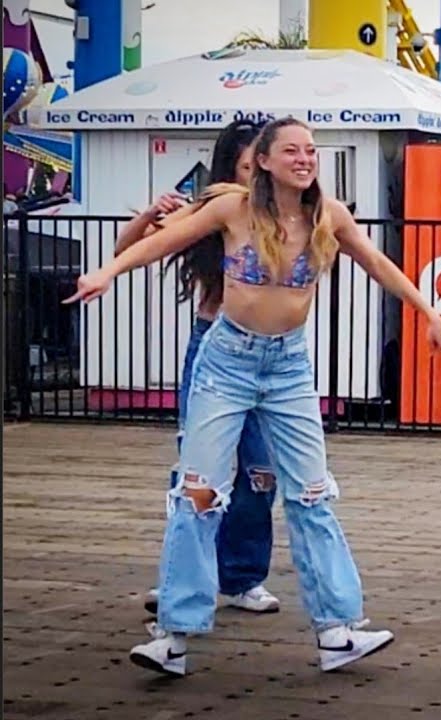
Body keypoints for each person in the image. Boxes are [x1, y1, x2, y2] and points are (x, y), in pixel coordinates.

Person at [66, 117, 441, 676]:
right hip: (227, 362)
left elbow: (378, 263)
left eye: (311, 150)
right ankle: (174, 633)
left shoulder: (329, 215)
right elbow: (163, 243)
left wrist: (426, 309)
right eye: (292, 150)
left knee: (312, 493)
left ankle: (338, 631)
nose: (305, 158)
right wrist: (108, 272)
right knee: (199, 491)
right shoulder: (233, 209)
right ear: (264, 161)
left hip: (288, 366)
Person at [115, 119, 282, 617]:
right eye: (248, 165)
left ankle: (243, 575)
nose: (256, 174)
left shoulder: (283, 211)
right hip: (213, 343)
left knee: (261, 471)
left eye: (262, 165)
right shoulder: (213, 207)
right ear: (232, 164)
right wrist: (151, 213)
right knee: (197, 470)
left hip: (269, 353)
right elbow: (128, 248)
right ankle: (182, 579)